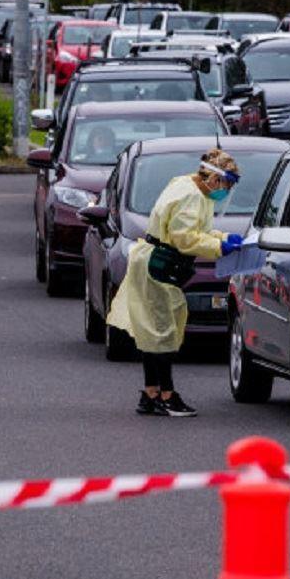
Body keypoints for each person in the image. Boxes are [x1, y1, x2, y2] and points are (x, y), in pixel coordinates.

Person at [108, 148, 244, 417]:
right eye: (226, 184)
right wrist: (219, 246)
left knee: (152, 332)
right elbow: (185, 238)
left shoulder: (186, 184)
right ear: (214, 179)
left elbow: (193, 230)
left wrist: (222, 236)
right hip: (161, 264)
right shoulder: (192, 197)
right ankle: (166, 396)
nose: (226, 191)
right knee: (163, 333)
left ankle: (151, 393)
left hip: (153, 259)